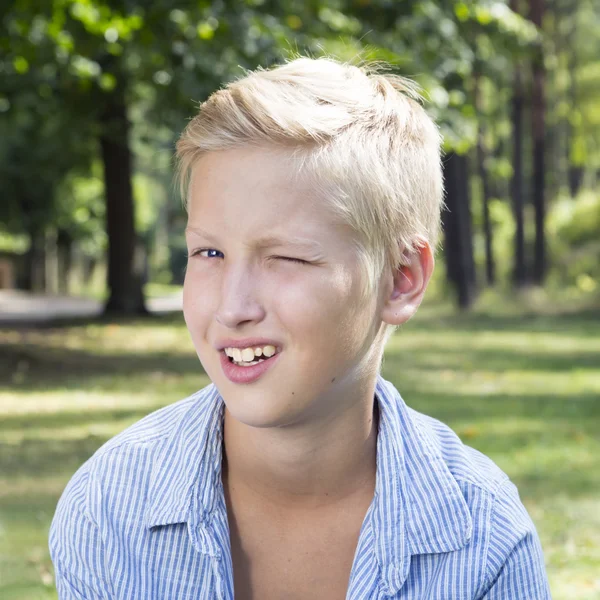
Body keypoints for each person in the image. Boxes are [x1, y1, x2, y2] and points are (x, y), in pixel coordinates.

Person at [49, 56, 551, 599]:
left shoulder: (484, 536)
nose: (232, 307)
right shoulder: (107, 510)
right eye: (209, 251)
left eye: (285, 258)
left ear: (400, 279)